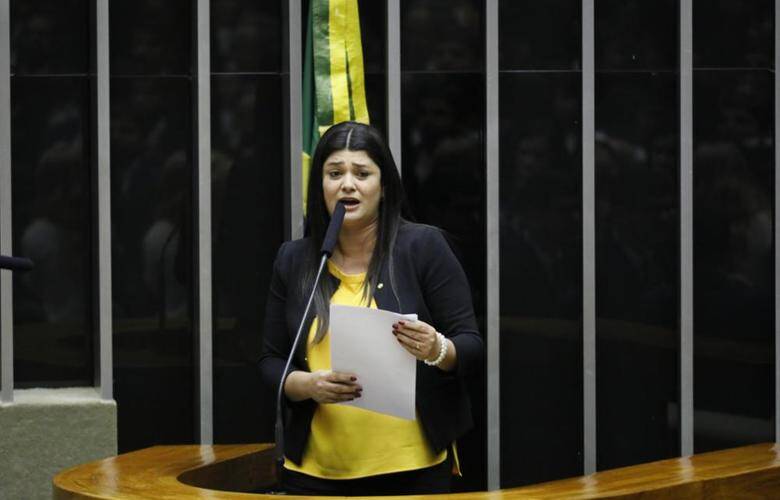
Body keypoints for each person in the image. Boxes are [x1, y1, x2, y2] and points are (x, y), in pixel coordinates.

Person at [259, 121, 483, 496]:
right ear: (321, 186)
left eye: (362, 173)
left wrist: (437, 349)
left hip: (411, 470)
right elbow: (270, 359)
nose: (348, 184)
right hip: (315, 473)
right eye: (335, 173)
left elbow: (472, 346)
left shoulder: (424, 247)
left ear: (383, 186)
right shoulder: (294, 259)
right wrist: (306, 385)